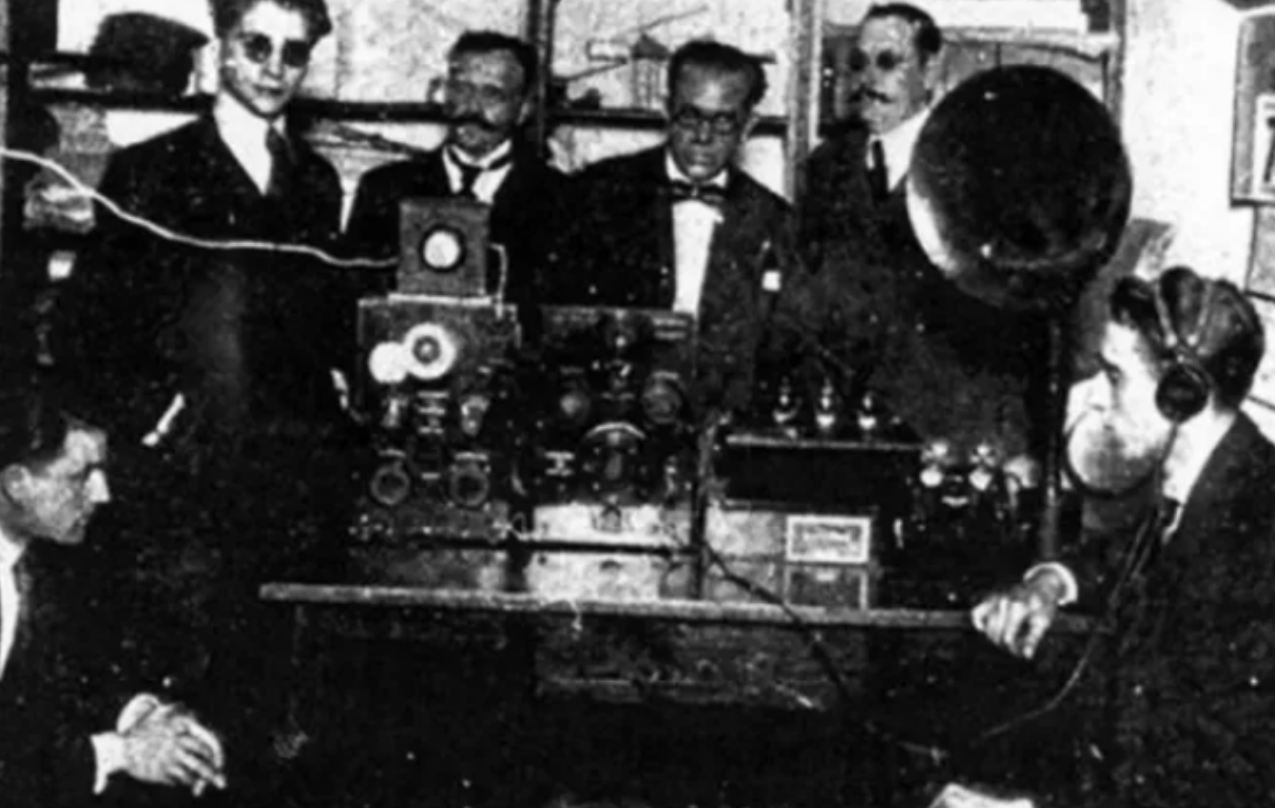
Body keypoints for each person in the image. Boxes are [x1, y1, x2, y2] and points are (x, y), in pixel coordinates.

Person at [55, 0, 356, 796]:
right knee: (176, 712)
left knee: (265, 711)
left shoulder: (315, 180)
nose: (274, 67)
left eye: (294, 52)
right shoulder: (149, 170)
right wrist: (159, 423)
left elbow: (315, 331)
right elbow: (84, 331)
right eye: (257, 45)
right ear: (221, 50)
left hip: (282, 496)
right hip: (178, 496)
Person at [970, 267, 1275, 807]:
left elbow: (1216, 774)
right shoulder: (1212, 479)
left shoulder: (1256, 541)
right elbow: (1138, 556)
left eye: (1114, 377)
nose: (1093, 400)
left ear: (1181, 396)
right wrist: (1051, 582)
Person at [797, 2, 1047, 460]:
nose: (869, 79)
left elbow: (1012, 321)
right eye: (860, 63)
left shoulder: (975, 166)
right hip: (849, 430)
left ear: (931, 71)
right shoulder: (827, 166)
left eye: (889, 62)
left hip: (947, 426)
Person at [0, 375, 226, 807]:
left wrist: (142, 717)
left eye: (101, 472)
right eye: (80, 475)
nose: (101, 493)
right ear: (16, 483)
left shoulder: (37, 565)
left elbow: (53, 690)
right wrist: (121, 752)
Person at [556, 39, 807, 415]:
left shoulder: (775, 221)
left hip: (724, 416)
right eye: (690, 117)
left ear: (748, 127)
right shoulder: (599, 193)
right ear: (666, 109)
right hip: (615, 411)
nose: (703, 137)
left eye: (723, 122)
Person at [345, 30, 571, 304]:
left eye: (492, 94)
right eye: (461, 89)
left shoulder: (562, 200)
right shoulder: (384, 189)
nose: (472, 107)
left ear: (524, 108)